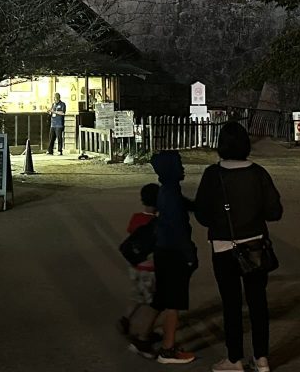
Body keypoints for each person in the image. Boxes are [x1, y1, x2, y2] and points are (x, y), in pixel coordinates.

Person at [194, 121, 283, 372]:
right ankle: (262, 358)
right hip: (255, 245)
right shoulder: (258, 173)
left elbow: (202, 214)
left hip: (223, 247)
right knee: (258, 302)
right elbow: (275, 212)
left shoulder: (213, 174)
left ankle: (234, 359)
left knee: (231, 304)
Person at [129, 150, 198, 365]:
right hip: (173, 254)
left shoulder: (167, 191)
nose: (183, 168)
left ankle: (143, 338)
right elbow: (178, 231)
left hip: (163, 252)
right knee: (173, 303)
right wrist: (190, 256)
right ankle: (168, 350)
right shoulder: (171, 194)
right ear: (171, 169)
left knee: (161, 299)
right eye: (179, 165)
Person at [118, 183, 159, 338]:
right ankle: (143, 332)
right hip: (147, 268)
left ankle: (125, 320)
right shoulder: (154, 223)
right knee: (152, 302)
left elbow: (131, 234)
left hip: (133, 265)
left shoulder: (136, 217)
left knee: (137, 295)